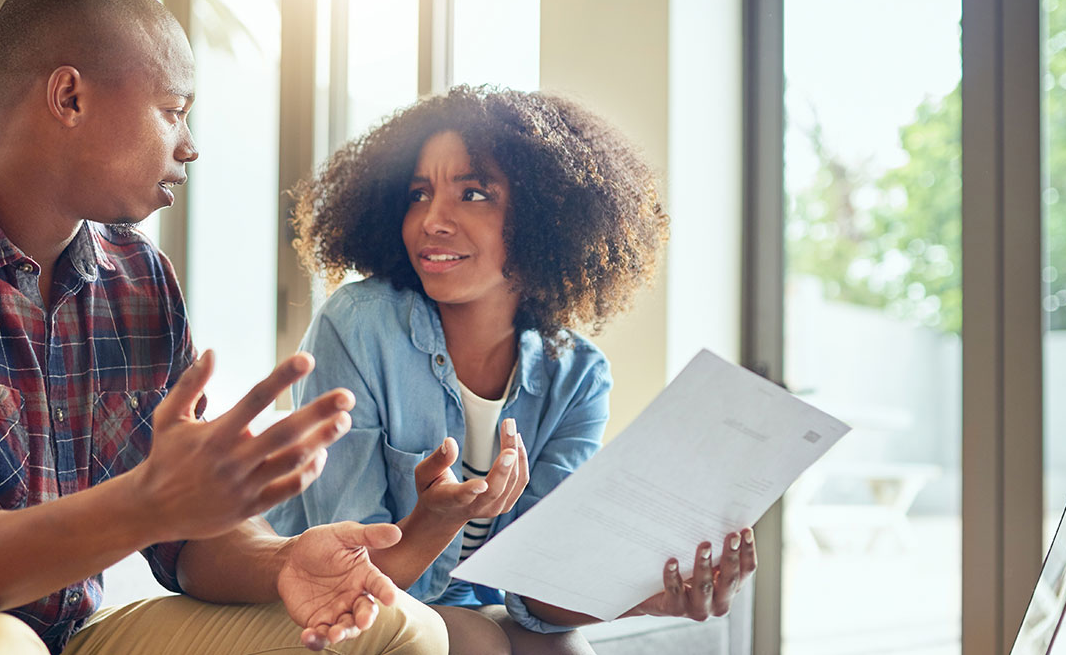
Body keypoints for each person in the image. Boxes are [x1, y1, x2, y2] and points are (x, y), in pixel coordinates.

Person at [0, 0, 446, 655]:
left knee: (401, 628)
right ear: (70, 97)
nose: (191, 147)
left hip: (66, 640)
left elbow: (185, 538)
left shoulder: (140, 278)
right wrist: (145, 503)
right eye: (173, 110)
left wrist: (281, 561)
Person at [265, 86, 757, 654]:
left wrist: (648, 594)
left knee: (564, 647)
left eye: (473, 193)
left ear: (547, 220)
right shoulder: (357, 326)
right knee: (477, 639)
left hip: (456, 610)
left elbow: (535, 587)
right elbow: (357, 571)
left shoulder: (578, 378)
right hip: (329, 600)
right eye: (418, 194)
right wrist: (436, 520)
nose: (432, 220)